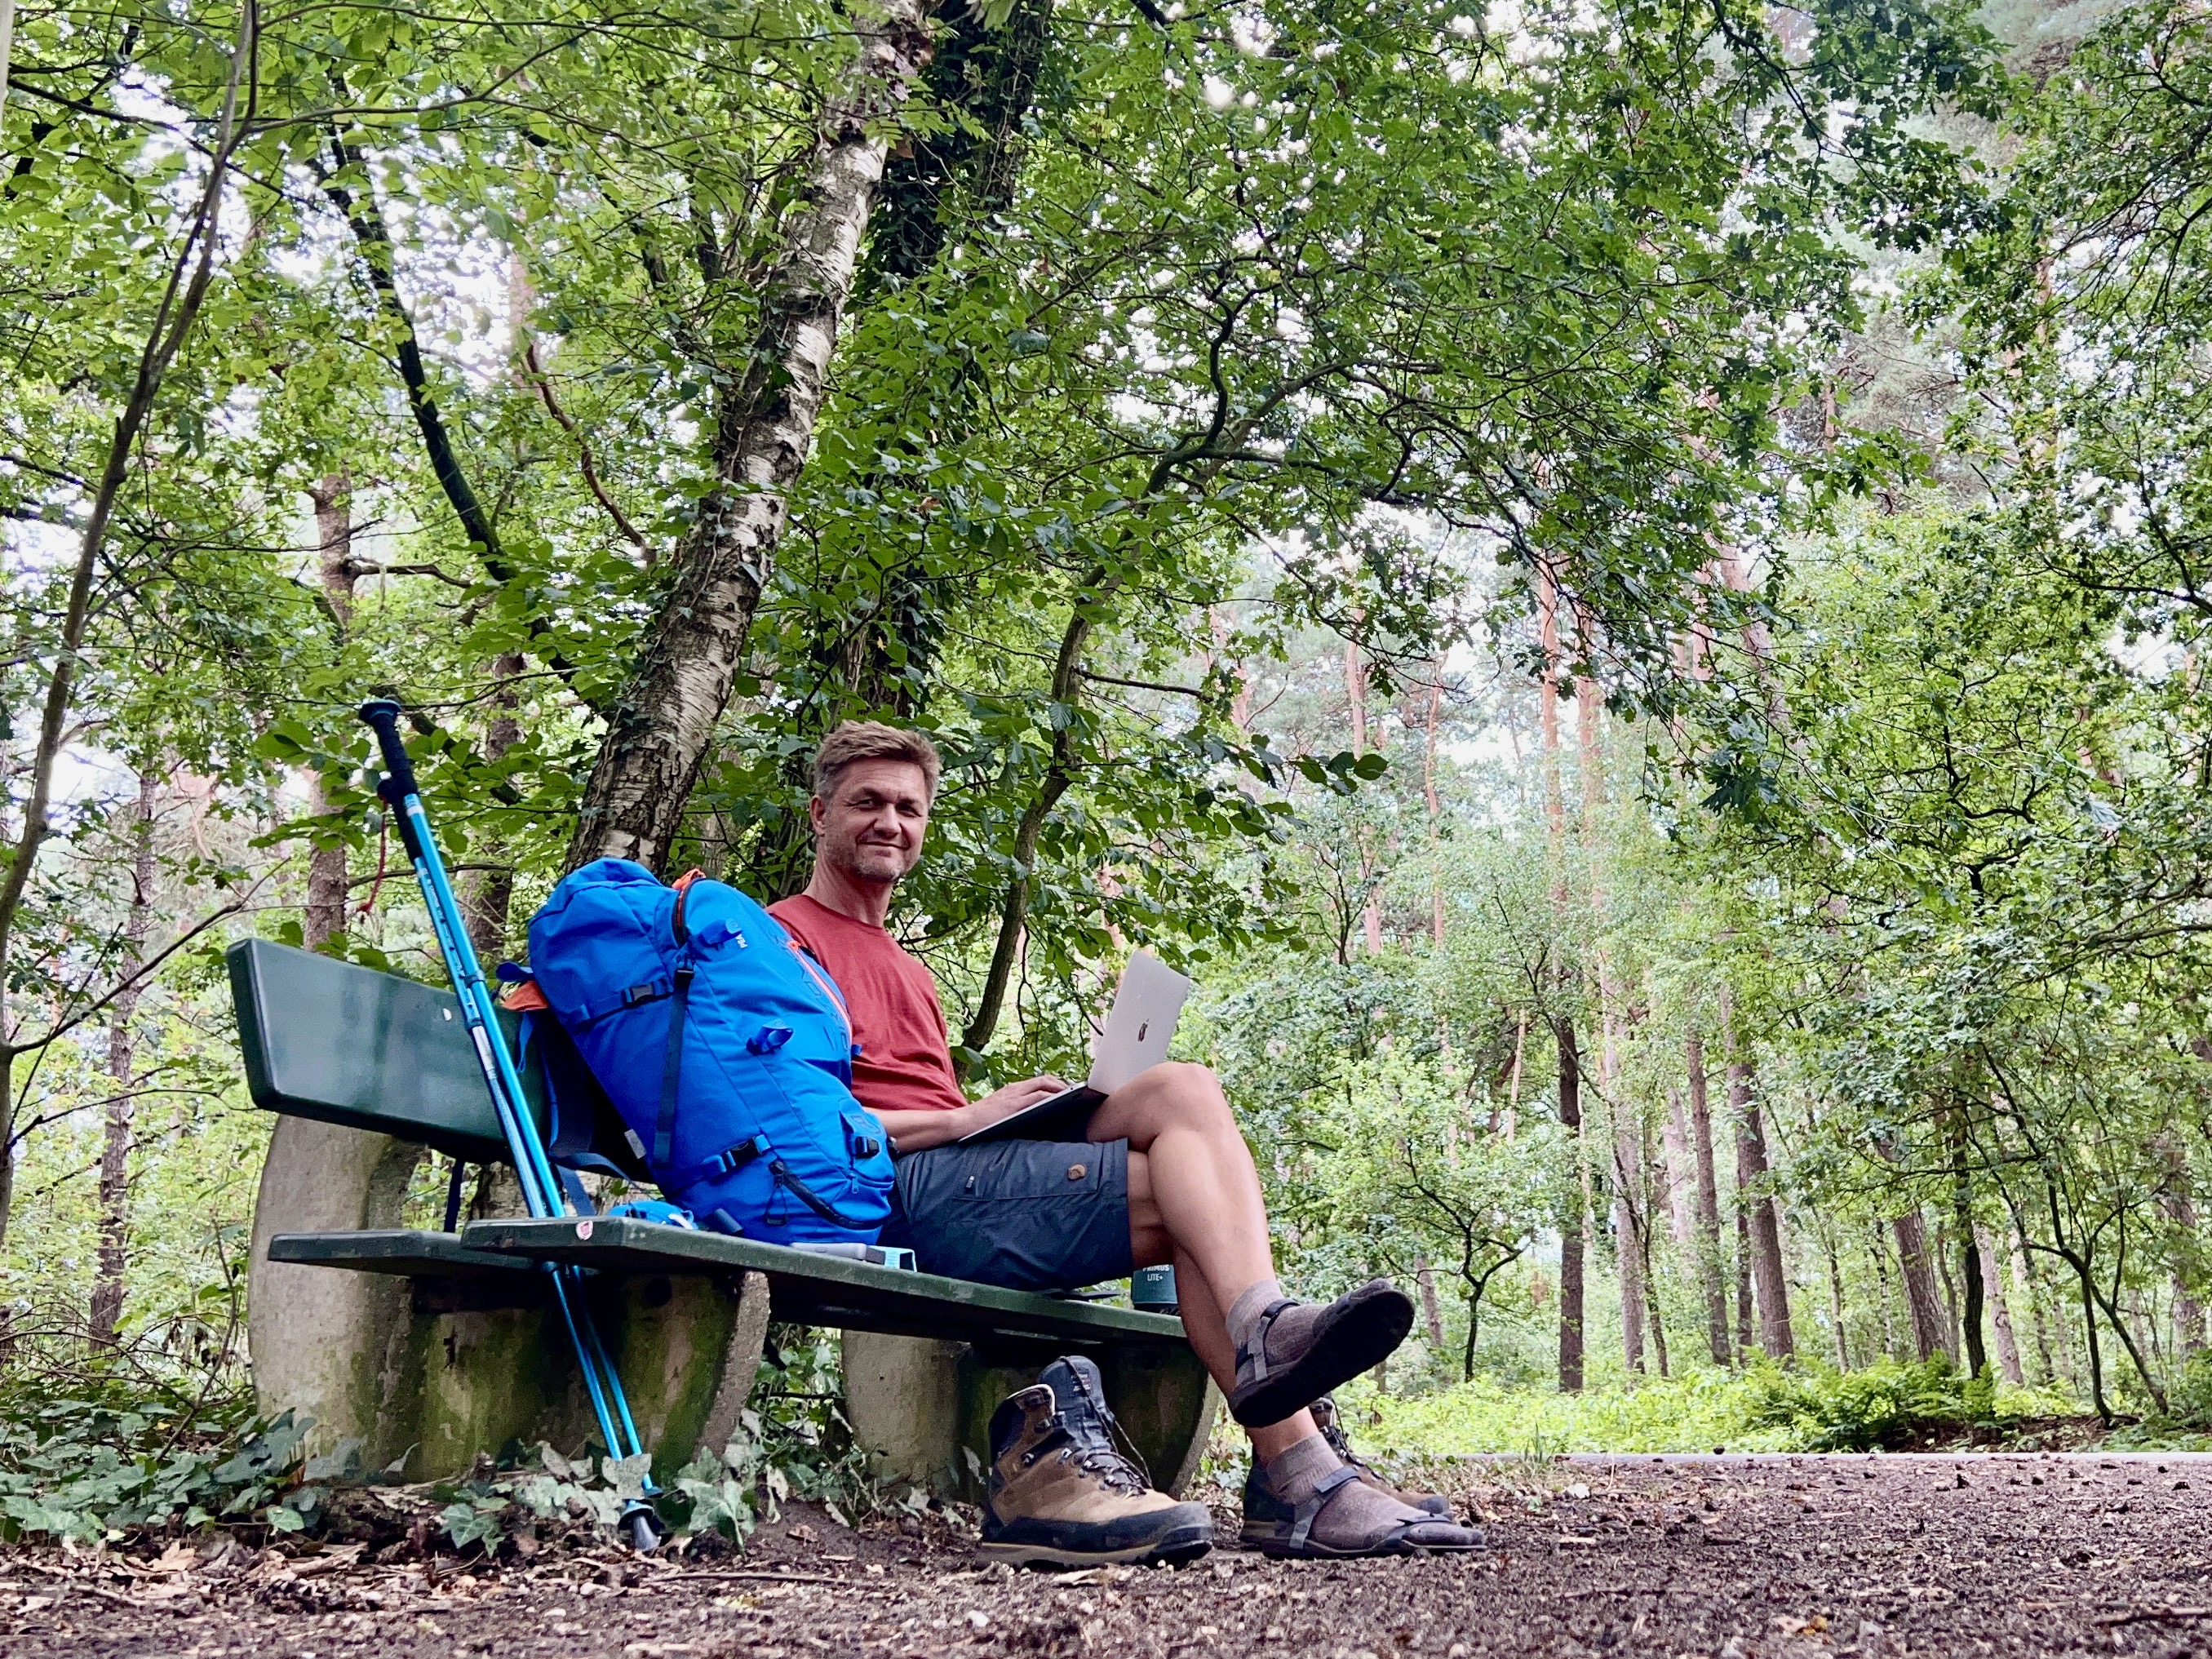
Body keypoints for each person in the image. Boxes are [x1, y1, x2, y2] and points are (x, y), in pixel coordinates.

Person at [768, 721, 1482, 1564]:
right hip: (895, 1195)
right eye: (867, 802)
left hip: (957, 1170)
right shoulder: (783, 940)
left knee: (1183, 1091)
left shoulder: (903, 962)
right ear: (818, 813)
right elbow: (794, 1124)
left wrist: (1016, 1114)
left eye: (908, 807)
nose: (890, 820)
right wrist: (964, 1120)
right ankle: (1297, 1473)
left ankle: (1270, 1349)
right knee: (1187, 1195)